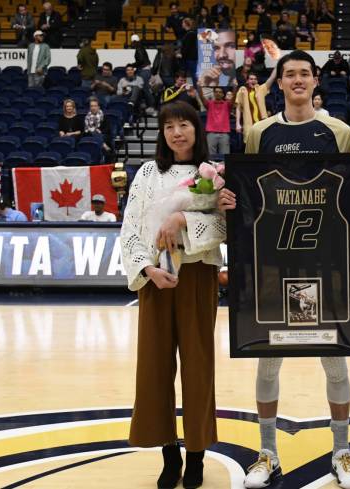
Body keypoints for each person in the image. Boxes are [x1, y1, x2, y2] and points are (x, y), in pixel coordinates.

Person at [222, 51, 350, 489]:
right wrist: (231, 204)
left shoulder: (338, 131)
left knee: (336, 359)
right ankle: (267, 453)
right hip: (274, 263)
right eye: (290, 74)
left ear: (315, 80)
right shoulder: (259, 132)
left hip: (328, 264)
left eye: (305, 73)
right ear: (280, 83)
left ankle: (342, 453)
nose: (298, 80)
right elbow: (248, 196)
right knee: (268, 360)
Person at [121, 102, 225, 489]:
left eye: (184, 124)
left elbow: (221, 225)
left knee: (198, 365)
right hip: (155, 277)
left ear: (197, 130)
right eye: (169, 126)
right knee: (153, 366)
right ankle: (169, 452)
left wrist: (183, 220)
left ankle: (196, 455)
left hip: (197, 276)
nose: (177, 132)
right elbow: (130, 225)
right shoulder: (148, 173)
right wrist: (146, 268)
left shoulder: (211, 175)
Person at [235, 69, 277, 144]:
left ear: (257, 81)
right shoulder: (243, 90)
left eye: (255, 79)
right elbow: (238, 108)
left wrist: (278, 64)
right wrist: (237, 123)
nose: (253, 81)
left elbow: (272, 78)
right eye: (251, 79)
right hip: (250, 125)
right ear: (247, 81)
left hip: (262, 124)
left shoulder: (260, 89)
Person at [196, 84, 233, 157]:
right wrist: (199, 85)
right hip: (211, 134)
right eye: (216, 92)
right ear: (213, 93)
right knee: (210, 156)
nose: (218, 93)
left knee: (225, 156)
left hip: (224, 134)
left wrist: (235, 86)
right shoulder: (209, 104)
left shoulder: (227, 104)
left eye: (220, 92)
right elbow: (201, 96)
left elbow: (234, 97)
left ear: (223, 94)